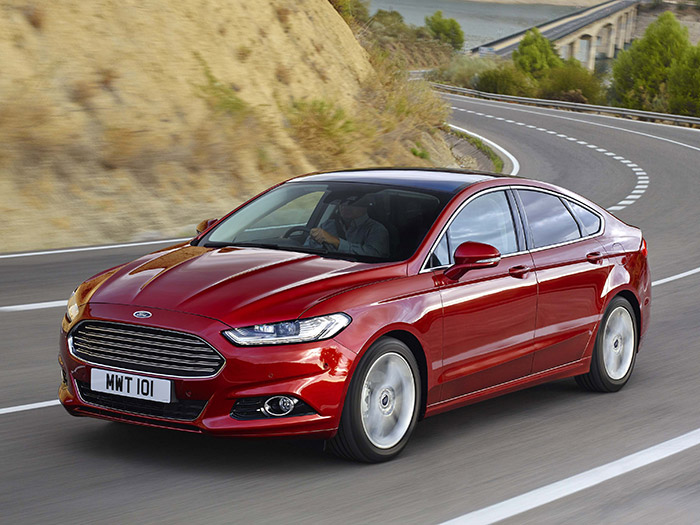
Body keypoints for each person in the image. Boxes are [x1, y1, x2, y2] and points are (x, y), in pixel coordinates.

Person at [308, 195, 389, 258]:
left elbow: (374, 255)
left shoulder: (376, 229)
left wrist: (336, 242)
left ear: (365, 206)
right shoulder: (327, 224)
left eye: (351, 204)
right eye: (341, 203)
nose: (344, 206)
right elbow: (307, 248)